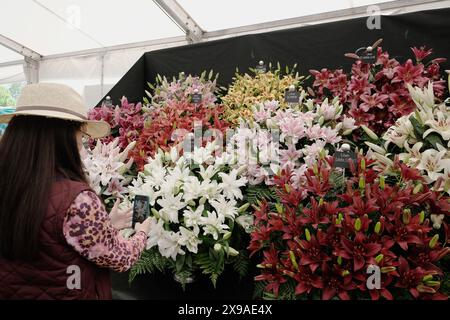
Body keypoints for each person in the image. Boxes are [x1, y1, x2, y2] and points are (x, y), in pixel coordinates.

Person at [0, 83, 152, 299]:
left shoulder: (10, 183)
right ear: (63, 136)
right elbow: (121, 259)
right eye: (80, 134)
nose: (81, 143)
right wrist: (142, 232)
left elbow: (47, 233)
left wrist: (105, 224)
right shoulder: (77, 199)